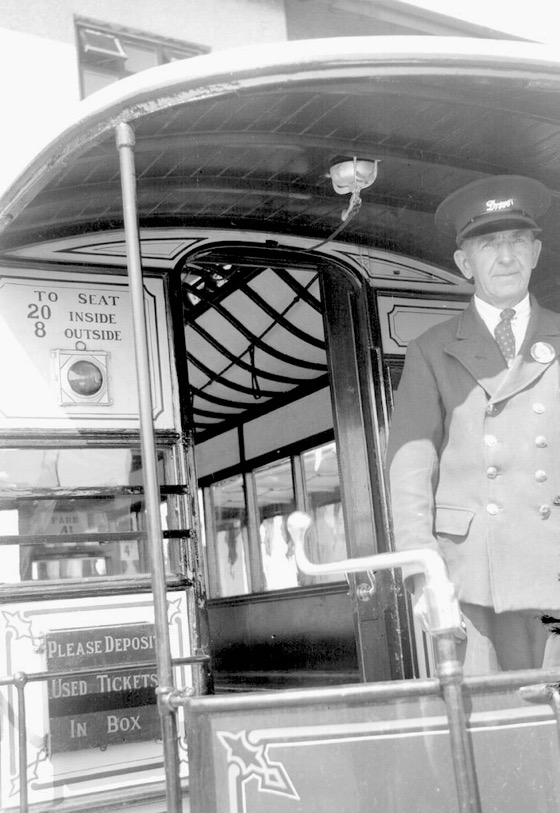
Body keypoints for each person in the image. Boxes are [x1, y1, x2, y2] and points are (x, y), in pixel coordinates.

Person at [387, 175, 560, 675]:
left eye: (516, 241)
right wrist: (422, 570)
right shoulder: (431, 349)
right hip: (475, 578)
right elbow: (411, 463)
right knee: (493, 731)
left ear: (536, 252)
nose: (505, 257)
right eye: (489, 244)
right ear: (465, 263)